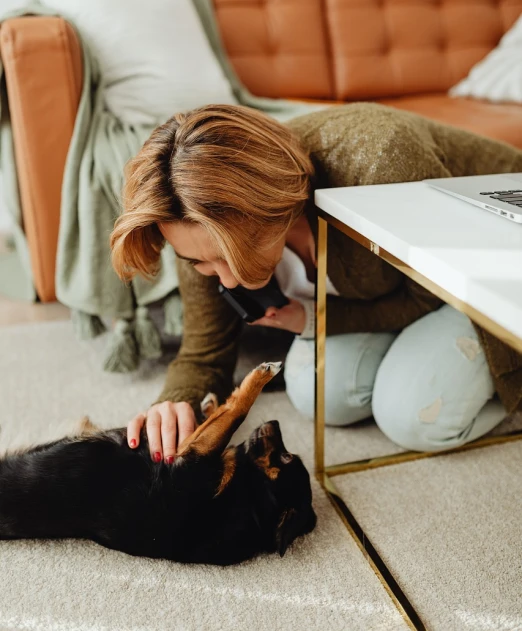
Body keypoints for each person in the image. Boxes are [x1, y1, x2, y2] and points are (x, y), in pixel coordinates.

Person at [110, 102, 522, 466]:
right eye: (201, 262)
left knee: (412, 416)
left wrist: (311, 319)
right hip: (404, 288)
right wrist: (174, 401)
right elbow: (204, 350)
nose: (229, 279)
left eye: (234, 253)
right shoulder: (192, 218)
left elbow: (429, 293)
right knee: (318, 391)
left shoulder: (382, 161)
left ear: (273, 207)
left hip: (493, 267)